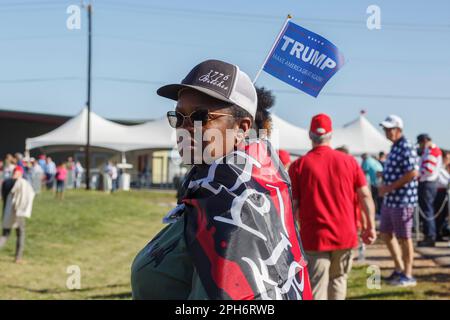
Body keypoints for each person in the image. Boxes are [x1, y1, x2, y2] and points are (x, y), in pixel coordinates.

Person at [131, 59, 312, 300]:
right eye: (179, 116)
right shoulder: (214, 187)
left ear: (242, 128)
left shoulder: (233, 200)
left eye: (201, 116)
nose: (186, 127)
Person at [288, 113, 376, 300]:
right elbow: (365, 195)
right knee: (338, 280)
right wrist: (370, 227)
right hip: (344, 235)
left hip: (314, 237)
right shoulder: (350, 161)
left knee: (316, 286)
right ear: (331, 135)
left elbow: (293, 206)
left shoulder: (299, 166)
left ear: (310, 135)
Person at [378, 115, 419, 287]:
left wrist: (389, 187)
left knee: (404, 237)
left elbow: (413, 172)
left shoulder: (406, 146)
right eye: (386, 129)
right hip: (392, 200)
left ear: (398, 129)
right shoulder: (395, 147)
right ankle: (399, 269)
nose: (387, 132)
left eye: (390, 129)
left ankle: (408, 274)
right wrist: (385, 177)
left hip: (403, 200)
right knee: (386, 234)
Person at [0, 166, 35, 263]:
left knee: (5, 234)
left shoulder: (6, 182)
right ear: (20, 173)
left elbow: (3, 197)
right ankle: (18, 257)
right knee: (20, 233)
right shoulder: (22, 183)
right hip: (18, 212)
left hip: (6, 211)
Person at [416, 134, 443, 247]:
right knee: (427, 210)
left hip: (428, 183)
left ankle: (430, 236)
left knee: (427, 210)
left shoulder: (432, 151)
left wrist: (416, 174)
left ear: (425, 141)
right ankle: (429, 235)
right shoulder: (430, 150)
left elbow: (428, 169)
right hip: (428, 183)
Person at [434, 150, 450, 241]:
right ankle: (437, 234)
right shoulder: (439, 169)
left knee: (443, 215)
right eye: (448, 158)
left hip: (445, 192)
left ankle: (440, 232)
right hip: (440, 192)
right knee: (439, 215)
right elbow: (444, 182)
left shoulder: (445, 168)